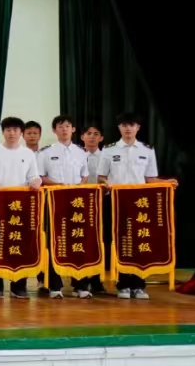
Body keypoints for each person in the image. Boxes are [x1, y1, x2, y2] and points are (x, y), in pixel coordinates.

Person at [97, 112, 177, 301]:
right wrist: (107, 183)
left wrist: (166, 182)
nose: (128, 129)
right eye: (124, 125)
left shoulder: (147, 150)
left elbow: (150, 179)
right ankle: (123, 285)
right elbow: (101, 177)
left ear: (138, 128)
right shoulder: (109, 150)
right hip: (117, 201)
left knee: (141, 241)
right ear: (119, 128)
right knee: (122, 242)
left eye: (131, 125)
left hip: (141, 203)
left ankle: (139, 285)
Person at [0, 116, 42, 299]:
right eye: (8, 130)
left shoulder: (28, 153)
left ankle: (18, 286)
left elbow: (34, 175)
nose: (12, 133)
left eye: (15, 130)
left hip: (21, 206)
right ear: (3, 132)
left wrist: (36, 181)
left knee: (19, 242)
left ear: (21, 133)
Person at [37, 115, 89, 299]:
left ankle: (80, 285)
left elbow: (84, 176)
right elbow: (40, 177)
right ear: (54, 130)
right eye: (60, 126)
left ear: (73, 129)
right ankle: (55, 285)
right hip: (54, 201)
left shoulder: (81, 152)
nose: (64, 129)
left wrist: (78, 188)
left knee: (78, 241)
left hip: (76, 203)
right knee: (54, 242)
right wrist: (58, 186)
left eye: (67, 126)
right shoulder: (45, 152)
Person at [77, 122, 107, 296]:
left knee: (100, 242)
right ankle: (80, 280)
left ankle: (97, 280)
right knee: (81, 240)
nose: (92, 137)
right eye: (88, 133)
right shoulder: (76, 155)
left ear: (101, 138)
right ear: (82, 137)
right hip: (80, 203)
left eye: (96, 134)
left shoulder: (107, 156)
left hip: (103, 202)